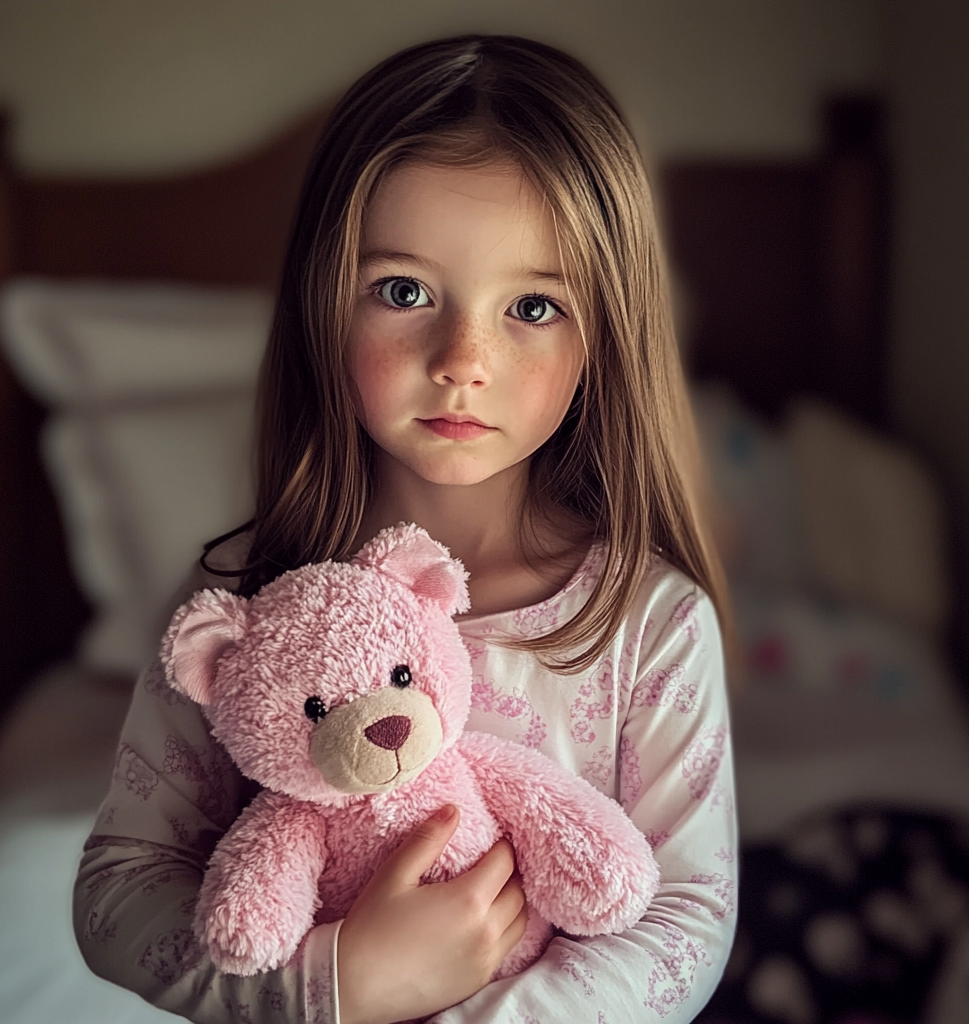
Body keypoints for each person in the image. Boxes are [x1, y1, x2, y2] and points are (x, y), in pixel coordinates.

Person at [74, 34, 737, 1024]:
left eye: (532, 305)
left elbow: (686, 913)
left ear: (608, 331)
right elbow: (119, 889)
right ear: (323, 305)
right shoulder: (241, 611)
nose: (463, 357)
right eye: (404, 291)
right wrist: (339, 983)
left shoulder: (648, 620)